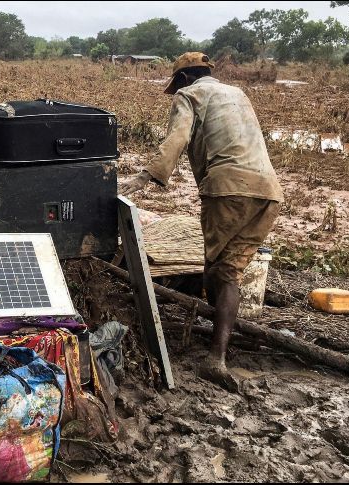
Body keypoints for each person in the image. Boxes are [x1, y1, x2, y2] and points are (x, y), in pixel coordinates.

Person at [119, 53, 283, 392]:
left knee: (215, 271)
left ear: (182, 78)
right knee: (230, 272)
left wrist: (146, 176)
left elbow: (177, 138)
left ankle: (213, 355)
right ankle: (217, 353)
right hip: (269, 193)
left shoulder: (189, 95)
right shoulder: (238, 94)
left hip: (228, 190)